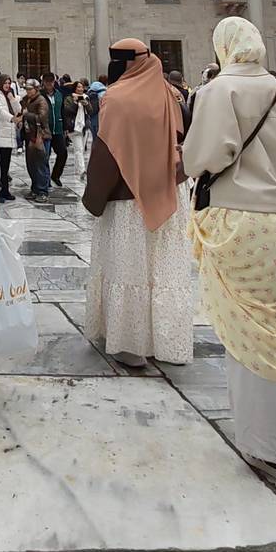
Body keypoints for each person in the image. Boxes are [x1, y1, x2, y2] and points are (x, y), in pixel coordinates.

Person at [184, 17, 276, 481]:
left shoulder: (218, 92)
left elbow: (202, 158)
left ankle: (265, 441)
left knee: (248, 333)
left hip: (240, 221)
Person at [83, 38, 193, 367]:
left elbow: (107, 152)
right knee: (160, 269)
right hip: (168, 193)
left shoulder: (116, 97)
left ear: (129, 62)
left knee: (129, 266)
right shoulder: (171, 94)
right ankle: (165, 340)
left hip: (127, 199)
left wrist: (94, 196)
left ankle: (130, 343)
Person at [22, 79, 51, 203]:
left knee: (40, 165)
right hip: (29, 135)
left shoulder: (41, 101)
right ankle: (35, 188)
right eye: (27, 89)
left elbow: (42, 117)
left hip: (40, 136)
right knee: (31, 165)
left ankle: (43, 191)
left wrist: (27, 115)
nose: (28, 91)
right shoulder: (26, 100)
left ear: (36, 89)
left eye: (30, 89)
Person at [0, 74, 18, 201]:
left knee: (6, 166)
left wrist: (12, 99)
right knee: (0, 166)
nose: (7, 85)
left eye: (9, 83)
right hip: (0, 133)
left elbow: (18, 109)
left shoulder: (9, 94)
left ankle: (5, 191)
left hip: (9, 133)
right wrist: (11, 118)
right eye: (5, 83)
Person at [41, 72, 66, 185]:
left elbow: (62, 110)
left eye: (51, 81)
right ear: (43, 82)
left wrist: (65, 127)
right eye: (47, 81)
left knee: (63, 153)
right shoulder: (40, 95)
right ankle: (45, 181)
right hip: (45, 130)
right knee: (45, 156)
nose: (49, 84)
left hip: (58, 129)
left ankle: (56, 175)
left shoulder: (59, 94)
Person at [65, 80, 92, 180]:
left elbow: (90, 111)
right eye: (78, 87)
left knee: (81, 150)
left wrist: (86, 104)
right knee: (79, 149)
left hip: (84, 126)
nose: (80, 89)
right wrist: (76, 102)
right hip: (74, 126)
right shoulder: (69, 98)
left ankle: (77, 170)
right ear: (75, 88)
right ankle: (82, 170)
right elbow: (68, 110)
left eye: (82, 87)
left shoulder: (86, 97)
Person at [87, 75, 107, 140]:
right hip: (100, 118)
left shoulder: (91, 89)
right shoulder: (104, 92)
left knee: (94, 138)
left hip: (91, 116)